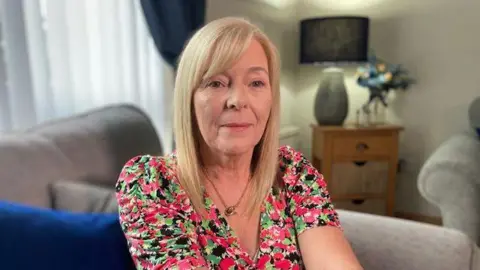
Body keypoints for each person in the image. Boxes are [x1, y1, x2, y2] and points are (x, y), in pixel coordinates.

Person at [116, 16, 362, 270]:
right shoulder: (151, 182)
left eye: (256, 83)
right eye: (216, 83)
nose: (238, 100)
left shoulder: (293, 172)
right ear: (188, 98)